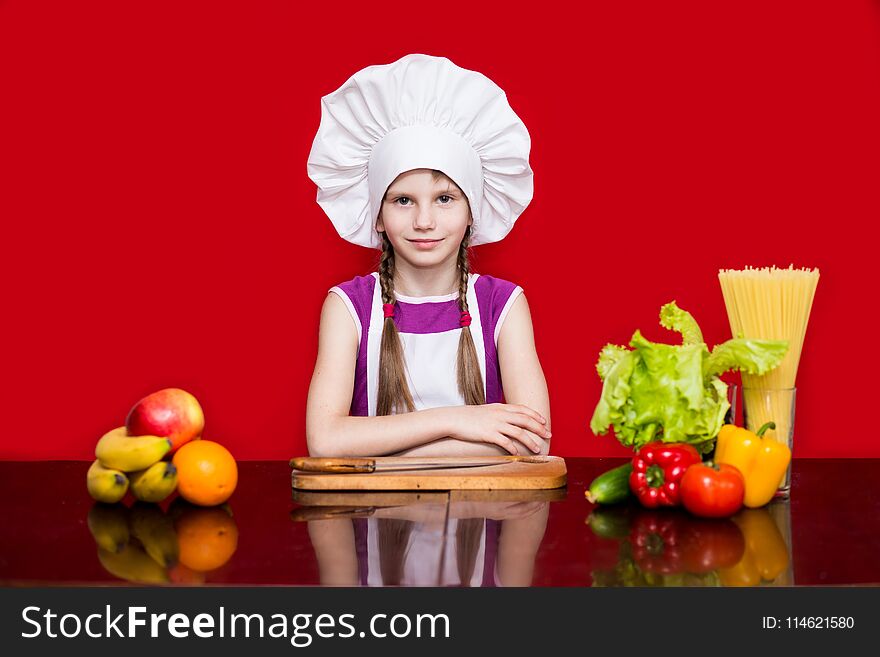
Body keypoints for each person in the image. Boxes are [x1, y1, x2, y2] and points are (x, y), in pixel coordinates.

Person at [305, 54, 551, 458]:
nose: (424, 220)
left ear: (473, 212)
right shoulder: (347, 306)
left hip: (486, 515)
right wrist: (457, 419)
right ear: (377, 216)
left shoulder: (503, 305)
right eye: (403, 199)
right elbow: (325, 442)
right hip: (373, 518)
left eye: (444, 199)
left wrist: (377, 444)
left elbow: (533, 442)